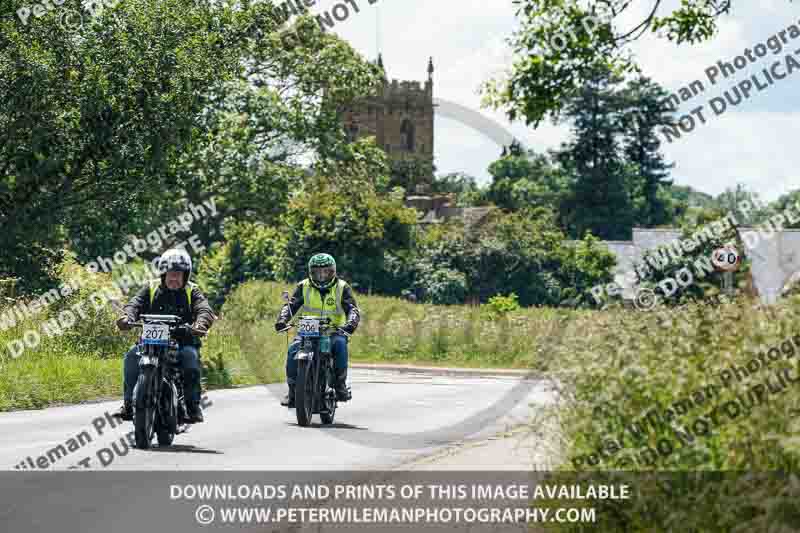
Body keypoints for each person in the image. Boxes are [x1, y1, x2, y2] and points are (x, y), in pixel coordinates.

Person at [113, 248, 216, 423]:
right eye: (170, 274)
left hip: (183, 342)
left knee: (190, 359)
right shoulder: (151, 287)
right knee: (131, 357)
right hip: (151, 342)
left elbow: (204, 309)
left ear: (185, 276)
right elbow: (135, 304)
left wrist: (200, 324)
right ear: (163, 274)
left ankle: (192, 406)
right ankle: (129, 404)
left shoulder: (193, 291)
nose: (174, 278)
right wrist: (127, 317)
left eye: (178, 275)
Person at [275, 253, 360, 407]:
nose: (321, 276)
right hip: (308, 331)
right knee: (293, 349)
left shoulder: (342, 287)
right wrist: (282, 320)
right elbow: (291, 306)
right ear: (310, 272)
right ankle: (293, 391)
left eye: (325, 272)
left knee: (340, 345)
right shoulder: (303, 286)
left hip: (333, 331)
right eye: (317, 272)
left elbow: (352, 309)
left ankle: (340, 385)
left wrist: (350, 324)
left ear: (332, 271)